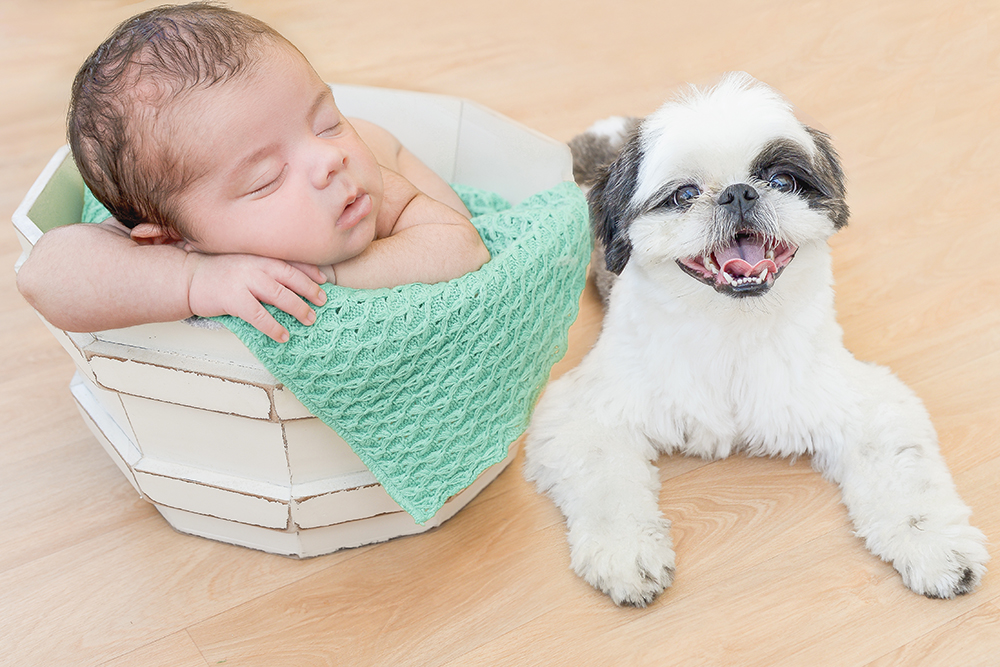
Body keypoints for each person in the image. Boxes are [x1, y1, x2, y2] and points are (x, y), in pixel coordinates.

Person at [16, 3, 490, 343]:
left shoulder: (361, 185)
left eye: (327, 122)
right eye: (267, 178)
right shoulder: (170, 238)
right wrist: (195, 279)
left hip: (396, 162)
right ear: (170, 235)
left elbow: (462, 244)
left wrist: (323, 274)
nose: (330, 158)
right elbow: (44, 276)